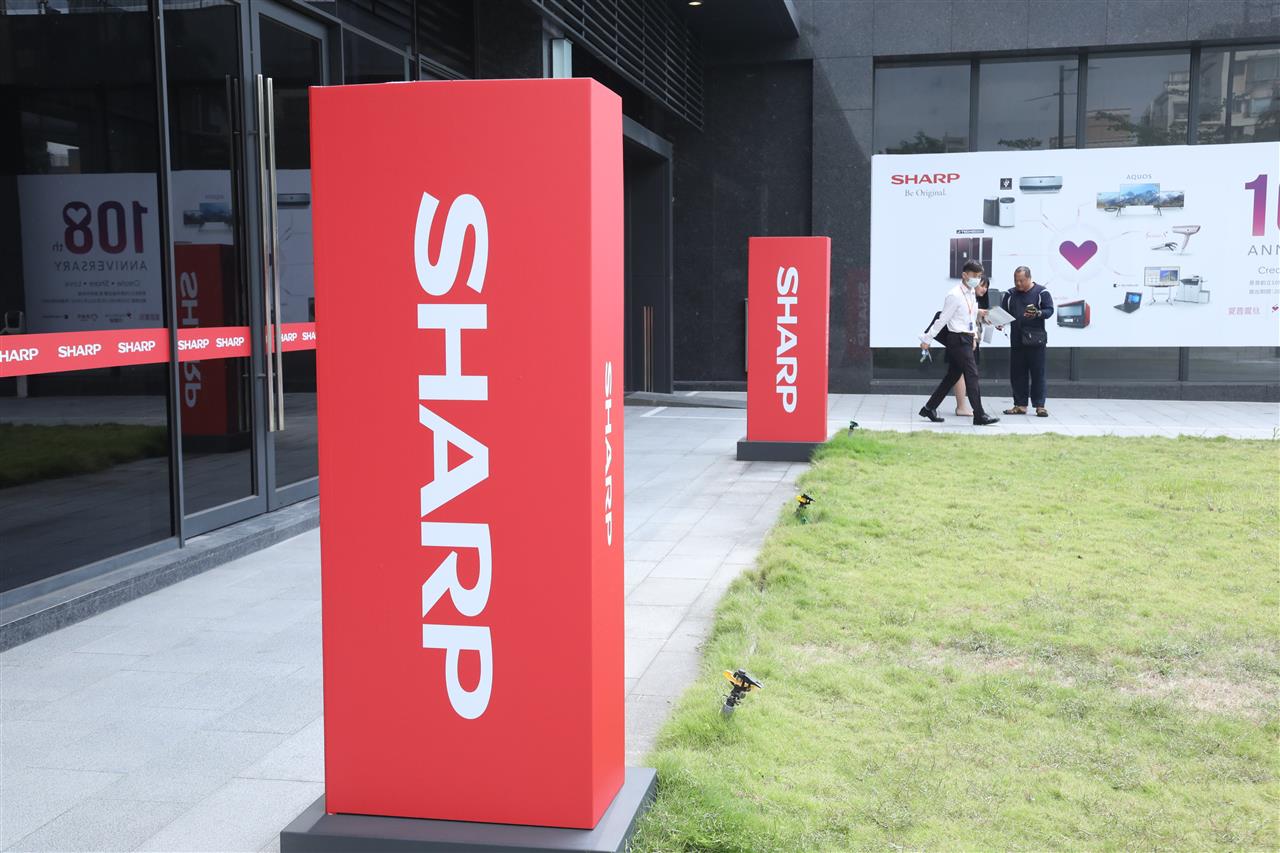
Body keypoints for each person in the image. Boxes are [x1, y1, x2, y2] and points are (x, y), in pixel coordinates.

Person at [919, 260, 1000, 426]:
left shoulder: (970, 293)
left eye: (979, 276)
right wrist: (927, 339)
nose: (977, 279)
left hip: (967, 338)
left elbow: (969, 316)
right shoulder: (954, 295)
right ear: (964, 275)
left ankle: (929, 408)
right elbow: (942, 319)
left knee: (953, 376)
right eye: (974, 275)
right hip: (957, 339)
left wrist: (974, 335)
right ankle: (979, 415)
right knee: (972, 374)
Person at [1000, 266, 1054, 417]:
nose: (1018, 284)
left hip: (1036, 340)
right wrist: (999, 322)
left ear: (1029, 278)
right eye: (1016, 280)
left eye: (1021, 281)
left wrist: (1038, 313)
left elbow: (1050, 310)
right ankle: (1020, 405)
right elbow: (1004, 313)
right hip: (1017, 340)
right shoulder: (1010, 294)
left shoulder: (1042, 292)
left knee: (1038, 373)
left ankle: (1040, 406)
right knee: (1017, 374)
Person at [950, 276, 990, 416]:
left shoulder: (977, 299)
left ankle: (932, 406)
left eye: (986, 287)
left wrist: (987, 318)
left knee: (960, 373)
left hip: (972, 340)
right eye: (982, 285)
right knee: (961, 373)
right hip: (962, 339)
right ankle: (963, 407)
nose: (984, 289)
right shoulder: (961, 296)